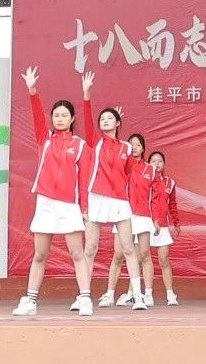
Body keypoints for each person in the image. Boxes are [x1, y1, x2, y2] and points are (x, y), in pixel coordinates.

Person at [12, 67, 93, 316]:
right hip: (46, 202)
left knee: (77, 253)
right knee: (40, 254)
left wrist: (84, 208)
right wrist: (32, 90)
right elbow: (36, 113)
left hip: (68, 205)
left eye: (64, 115)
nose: (59, 118)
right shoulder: (44, 139)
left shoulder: (80, 145)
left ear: (72, 119)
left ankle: (85, 299)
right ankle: (30, 301)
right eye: (56, 115)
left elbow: (84, 179)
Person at [78, 72, 143, 310]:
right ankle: (84, 295)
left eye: (110, 118)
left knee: (128, 248)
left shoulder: (126, 147)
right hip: (97, 197)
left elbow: (128, 172)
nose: (105, 121)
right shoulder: (95, 141)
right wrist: (86, 94)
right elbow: (87, 118)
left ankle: (138, 295)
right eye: (102, 119)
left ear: (118, 123)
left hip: (119, 200)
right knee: (90, 248)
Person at [106, 134, 157, 309]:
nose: (134, 147)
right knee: (118, 255)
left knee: (144, 255)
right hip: (123, 215)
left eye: (138, 145)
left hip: (142, 215)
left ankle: (147, 294)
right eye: (131, 145)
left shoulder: (150, 169)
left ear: (143, 148)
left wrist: (157, 218)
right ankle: (110, 294)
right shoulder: (121, 167)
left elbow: (156, 197)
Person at [148, 150, 181, 306]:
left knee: (164, 260)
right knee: (142, 260)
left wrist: (176, 223)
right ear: (149, 164)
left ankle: (170, 293)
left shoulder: (170, 183)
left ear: (164, 164)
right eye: (153, 161)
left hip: (162, 226)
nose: (157, 164)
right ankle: (144, 294)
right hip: (146, 224)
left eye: (160, 161)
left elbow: (172, 205)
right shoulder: (145, 181)